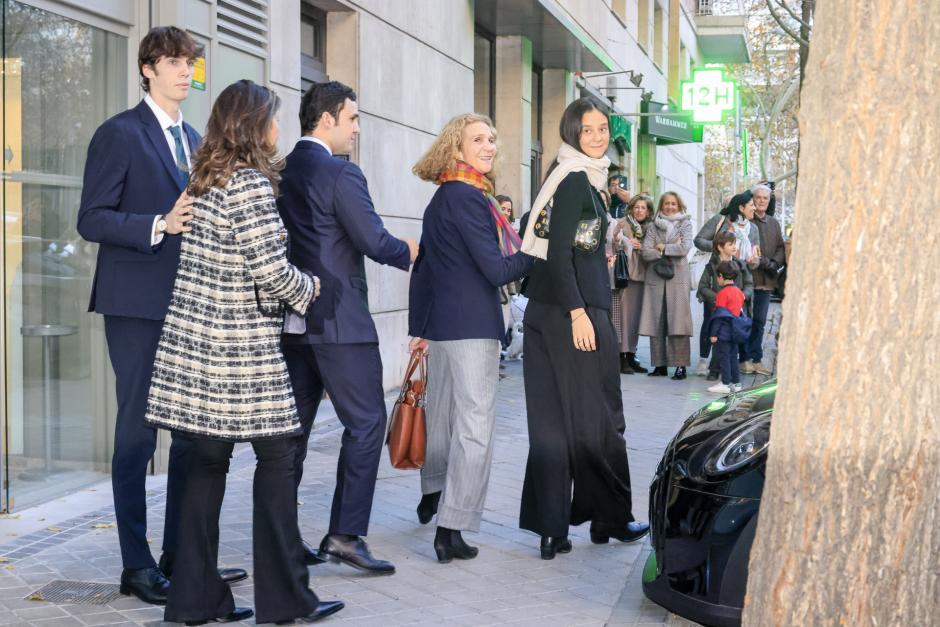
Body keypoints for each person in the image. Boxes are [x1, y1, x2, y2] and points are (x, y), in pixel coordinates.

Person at [144, 80, 344, 626]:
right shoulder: (251, 184)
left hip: (195, 353)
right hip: (241, 357)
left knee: (207, 469)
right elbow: (269, 271)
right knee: (279, 460)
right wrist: (309, 288)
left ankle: (192, 601)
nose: (279, 128)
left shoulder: (205, 177)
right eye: (273, 118)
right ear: (255, 125)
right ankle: (286, 602)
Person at [75, 26, 245, 605]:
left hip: (187, 309)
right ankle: (136, 563)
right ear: (147, 68)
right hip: (135, 307)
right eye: (174, 61)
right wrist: (157, 224)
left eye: (190, 63)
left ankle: (182, 556)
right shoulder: (119, 133)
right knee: (138, 436)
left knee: (192, 435)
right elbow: (91, 218)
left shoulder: (195, 137)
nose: (185, 72)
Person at [277, 80, 417, 575]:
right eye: (353, 118)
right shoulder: (341, 173)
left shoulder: (280, 171)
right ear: (327, 119)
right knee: (366, 424)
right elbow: (374, 240)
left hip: (293, 322)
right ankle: (344, 535)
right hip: (340, 322)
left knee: (291, 435)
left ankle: (280, 536)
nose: (357, 129)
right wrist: (411, 251)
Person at [518, 97, 649, 560]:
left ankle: (554, 528)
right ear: (572, 132)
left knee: (553, 422)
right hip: (575, 314)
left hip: (550, 312)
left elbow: (570, 247)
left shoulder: (579, 178)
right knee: (602, 419)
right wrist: (578, 314)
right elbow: (558, 255)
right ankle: (609, 518)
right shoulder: (575, 179)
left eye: (600, 129)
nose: (595, 136)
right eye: (586, 129)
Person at [408, 113, 533, 563]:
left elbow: (423, 270)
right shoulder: (471, 199)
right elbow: (497, 270)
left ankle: (434, 492)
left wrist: (418, 329)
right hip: (473, 327)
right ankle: (451, 525)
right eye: (478, 139)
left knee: (442, 418)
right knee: (475, 429)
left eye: (492, 139)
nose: (489, 146)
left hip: (441, 326)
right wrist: (537, 251)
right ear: (455, 148)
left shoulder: (443, 195)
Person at [693, 191, 760, 377]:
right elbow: (698, 240)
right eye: (751, 204)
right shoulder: (720, 220)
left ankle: (723, 367)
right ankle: (704, 360)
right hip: (717, 275)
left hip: (738, 278)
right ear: (741, 207)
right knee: (711, 322)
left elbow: (756, 257)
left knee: (731, 327)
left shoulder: (752, 229)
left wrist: (754, 261)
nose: (755, 207)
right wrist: (718, 245)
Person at [639, 192, 694, 380]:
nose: (670, 207)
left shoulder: (685, 223)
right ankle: (660, 365)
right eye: (666, 204)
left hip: (678, 279)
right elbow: (645, 252)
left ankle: (680, 366)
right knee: (656, 321)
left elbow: (685, 247)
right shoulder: (654, 225)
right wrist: (665, 249)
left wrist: (663, 247)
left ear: (679, 205)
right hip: (655, 278)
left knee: (678, 323)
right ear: (661, 206)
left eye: (673, 204)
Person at [697, 231, 754, 381]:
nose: (734, 247)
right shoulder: (711, 267)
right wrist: (719, 298)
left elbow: (749, 284)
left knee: (731, 339)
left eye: (734, 243)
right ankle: (715, 370)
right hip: (716, 309)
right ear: (720, 247)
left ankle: (725, 370)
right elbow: (702, 287)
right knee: (718, 338)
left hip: (735, 309)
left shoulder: (740, 264)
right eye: (730, 244)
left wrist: (742, 296)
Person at [745, 183, 786, 375]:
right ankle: (744, 358)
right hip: (748, 278)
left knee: (760, 320)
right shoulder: (746, 221)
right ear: (753, 199)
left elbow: (780, 247)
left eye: (765, 198)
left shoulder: (773, 223)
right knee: (746, 320)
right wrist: (761, 261)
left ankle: (757, 358)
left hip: (767, 279)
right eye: (758, 198)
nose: (761, 201)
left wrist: (774, 263)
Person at [611, 194, 653, 374]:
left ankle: (631, 354)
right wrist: (627, 243)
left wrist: (642, 246)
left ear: (649, 210)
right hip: (625, 276)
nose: (639, 210)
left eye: (643, 207)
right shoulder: (622, 223)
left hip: (643, 276)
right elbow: (612, 243)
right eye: (636, 207)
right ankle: (621, 356)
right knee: (623, 318)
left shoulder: (650, 228)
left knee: (635, 318)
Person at [706, 261, 749, 395]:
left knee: (724, 357)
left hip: (724, 332)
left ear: (721, 276)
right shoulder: (739, 293)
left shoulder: (722, 294)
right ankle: (736, 383)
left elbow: (719, 316)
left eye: (717, 277)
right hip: (735, 330)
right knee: (733, 357)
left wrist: (713, 334)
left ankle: (725, 383)